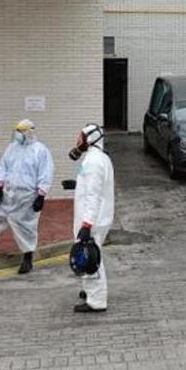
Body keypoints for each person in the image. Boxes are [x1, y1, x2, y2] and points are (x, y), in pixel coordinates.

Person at [0, 119, 54, 274]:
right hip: (7, 193)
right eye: (17, 131)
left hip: (26, 196)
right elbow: (2, 167)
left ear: (29, 132)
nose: (18, 134)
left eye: (21, 131)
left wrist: (41, 195)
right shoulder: (12, 148)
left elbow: (46, 174)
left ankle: (27, 258)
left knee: (26, 227)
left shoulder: (40, 151)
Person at [69, 123, 114, 313]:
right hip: (97, 216)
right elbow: (93, 186)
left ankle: (97, 300)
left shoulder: (93, 161)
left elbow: (93, 195)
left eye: (81, 136)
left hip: (92, 218)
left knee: (90, 255)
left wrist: (87, 224)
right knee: (90, 253)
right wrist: (76, 184)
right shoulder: (98, 158)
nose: (78, 140)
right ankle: (90, 290)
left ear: (90, 138)